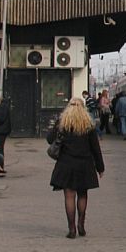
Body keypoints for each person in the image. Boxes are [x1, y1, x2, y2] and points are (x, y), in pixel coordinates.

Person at [48, 97, 105, 239]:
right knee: (82, 194)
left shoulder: (63, 123)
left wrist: (56, 126)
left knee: (69, 196)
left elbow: (50, 139)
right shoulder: (88, 125)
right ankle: (81, 225)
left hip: (66, 164)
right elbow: (95, 148)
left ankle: (71, 229)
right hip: (84, 164)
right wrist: (100, 167)